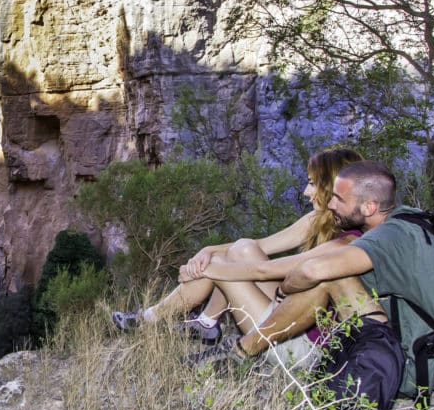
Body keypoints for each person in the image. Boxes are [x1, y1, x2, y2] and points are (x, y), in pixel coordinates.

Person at [213, 161, 434, 410]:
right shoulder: (410, 220)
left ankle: (243, 350)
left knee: (328, 275)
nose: (330, 204)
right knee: (332, 275)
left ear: (369, 207)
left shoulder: (387, 238)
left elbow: (313, 270)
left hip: (399, 364)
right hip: (408, 347)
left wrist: (284, 290)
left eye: (339, 199)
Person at [112, 148, 364, 359]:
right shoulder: (319, 219)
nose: (306, 192)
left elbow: (263, 270)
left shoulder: (349, 241)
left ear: (333, 188)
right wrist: (207, 251)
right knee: (242, 248)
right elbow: (261, 246)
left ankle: (168, 321)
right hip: (290, 315)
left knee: (223, 265)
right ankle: (205, 323)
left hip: (298, 341)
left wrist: (207, 270)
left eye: (312, 184)